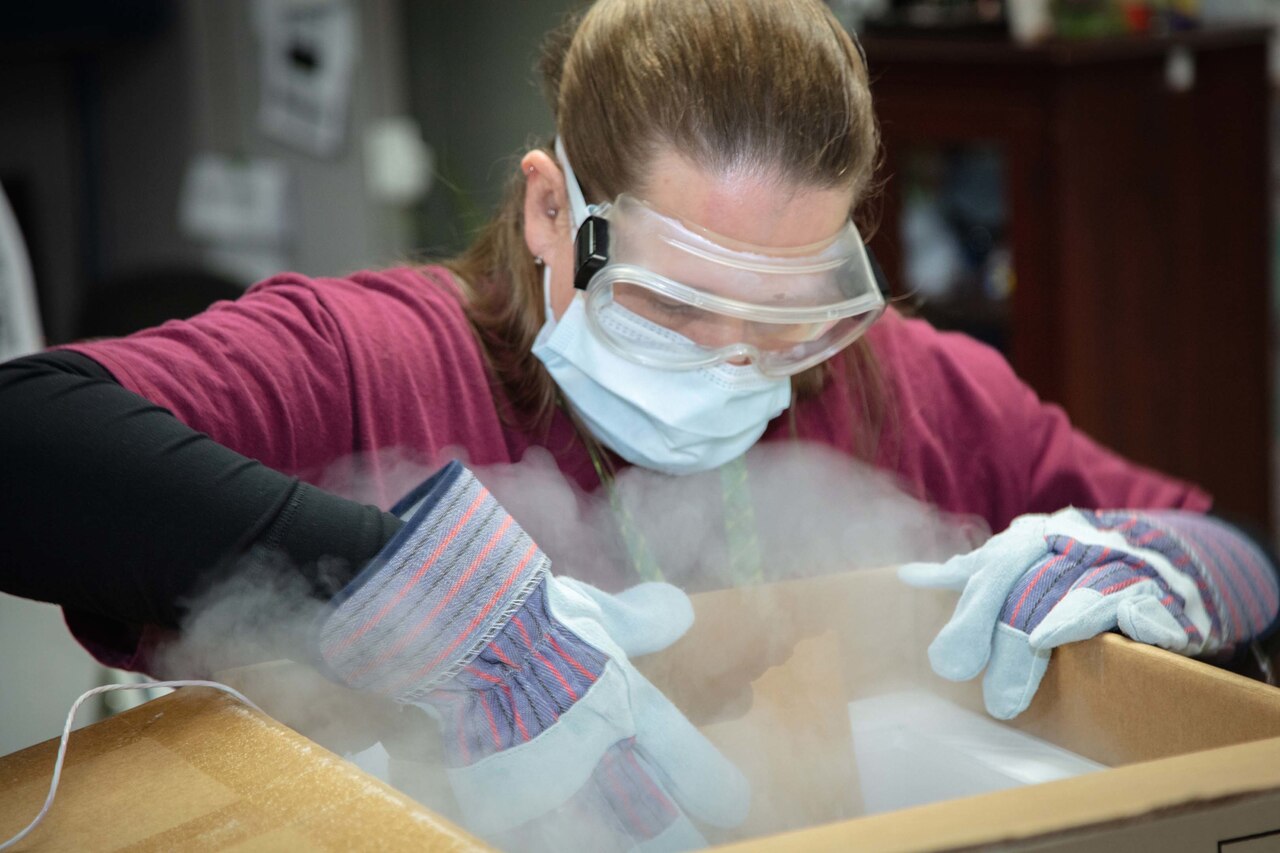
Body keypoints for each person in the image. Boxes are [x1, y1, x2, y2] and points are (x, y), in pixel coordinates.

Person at [2, 0, 1277, 848]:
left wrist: (1172, 568)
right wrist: (399, 590)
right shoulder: (368, 359)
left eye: (785, 315)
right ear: (552, 212)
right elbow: (27, 438)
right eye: (675, 304)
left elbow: (1230, 545)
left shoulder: (907, 387)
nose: (733, 364)